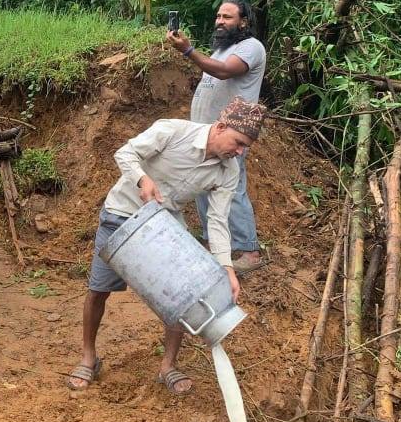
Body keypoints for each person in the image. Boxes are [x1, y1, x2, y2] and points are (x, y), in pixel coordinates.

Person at [66, 97, 266, 394]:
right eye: (237, 143)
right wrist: (142, 179)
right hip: (121, 214)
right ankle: (88, 357)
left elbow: (218, 220)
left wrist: (227, 268)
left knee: (183, 298)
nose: (238, 152)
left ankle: (168, 366)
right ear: (221, 127)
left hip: (166, 228)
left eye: (244, 147)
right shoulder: (173, 131)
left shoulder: (228, 170)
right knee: (98, 290)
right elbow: (125, 153)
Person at [167, 0, 267, 273]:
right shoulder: (222, 49)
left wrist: (188, 50)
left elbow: (223, 73)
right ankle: (213, 243)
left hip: (232, 133)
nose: (220, 21)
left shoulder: (251, 47)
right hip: (208, 132)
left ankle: (249, 251)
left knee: (232, 187)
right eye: (218, 16)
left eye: (227, 17)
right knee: (202, 186)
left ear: (243, 22)